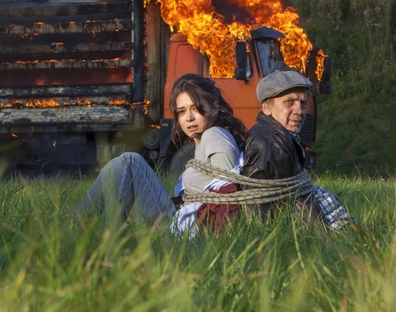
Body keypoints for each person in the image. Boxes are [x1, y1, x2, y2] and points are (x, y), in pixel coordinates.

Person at [76, 74, 247, 235]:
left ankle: (84, 227)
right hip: (182, 221)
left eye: (195, 108)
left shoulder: (214, 135)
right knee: (118, 164)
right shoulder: (202, 142)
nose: (189, 118)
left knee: (129, 161)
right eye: (181, 111)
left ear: (215, 108)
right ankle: (87, 227)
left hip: (184, 230)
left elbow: (227, 190)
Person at [241, 70, 354, 229]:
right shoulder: (271, 143)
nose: (299, 111)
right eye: (289, 102)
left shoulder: (279, 136)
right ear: (266, 107)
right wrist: (325, 240)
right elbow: (258, 203)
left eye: (302, 103)